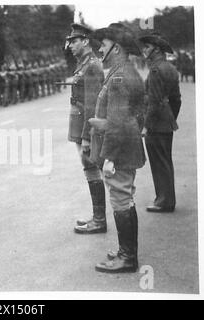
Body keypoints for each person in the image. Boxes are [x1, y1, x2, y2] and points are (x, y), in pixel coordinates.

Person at [89, 23, 146, 273]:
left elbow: (120, 123)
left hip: (119, 148)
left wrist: (109, 156)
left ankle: (127, 258)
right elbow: (137, 116)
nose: (99, 49)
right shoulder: (122, 71)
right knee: (126, 199)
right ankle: (127, 252)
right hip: (126, 144)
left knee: (121, 199)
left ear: (116, 47)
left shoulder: (120, 76)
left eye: (103, 44)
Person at [63, 24, 106, 235]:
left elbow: (92, 104)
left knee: (91, 165)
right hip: (79, 123)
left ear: (86, 41)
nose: (70, 45)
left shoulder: (92, 66)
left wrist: (88, 136)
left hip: (85, 126)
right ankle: (97, 217)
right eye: (70, 41)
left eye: (74, 41)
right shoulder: (83, 64)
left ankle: (99, 220)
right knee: (88, 166)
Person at [138, 32, 181, 213]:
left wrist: (147, 125)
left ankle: (163, 201)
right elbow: (177, 99)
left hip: (155, 124)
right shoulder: (170, 68)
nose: (144, 50)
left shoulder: (155, 70)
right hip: (166, 122)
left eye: (147, 47)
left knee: (158, 162)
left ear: (156, 49)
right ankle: (166, 199)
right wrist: (170, 117)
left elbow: (154, 102)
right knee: (165, 162)